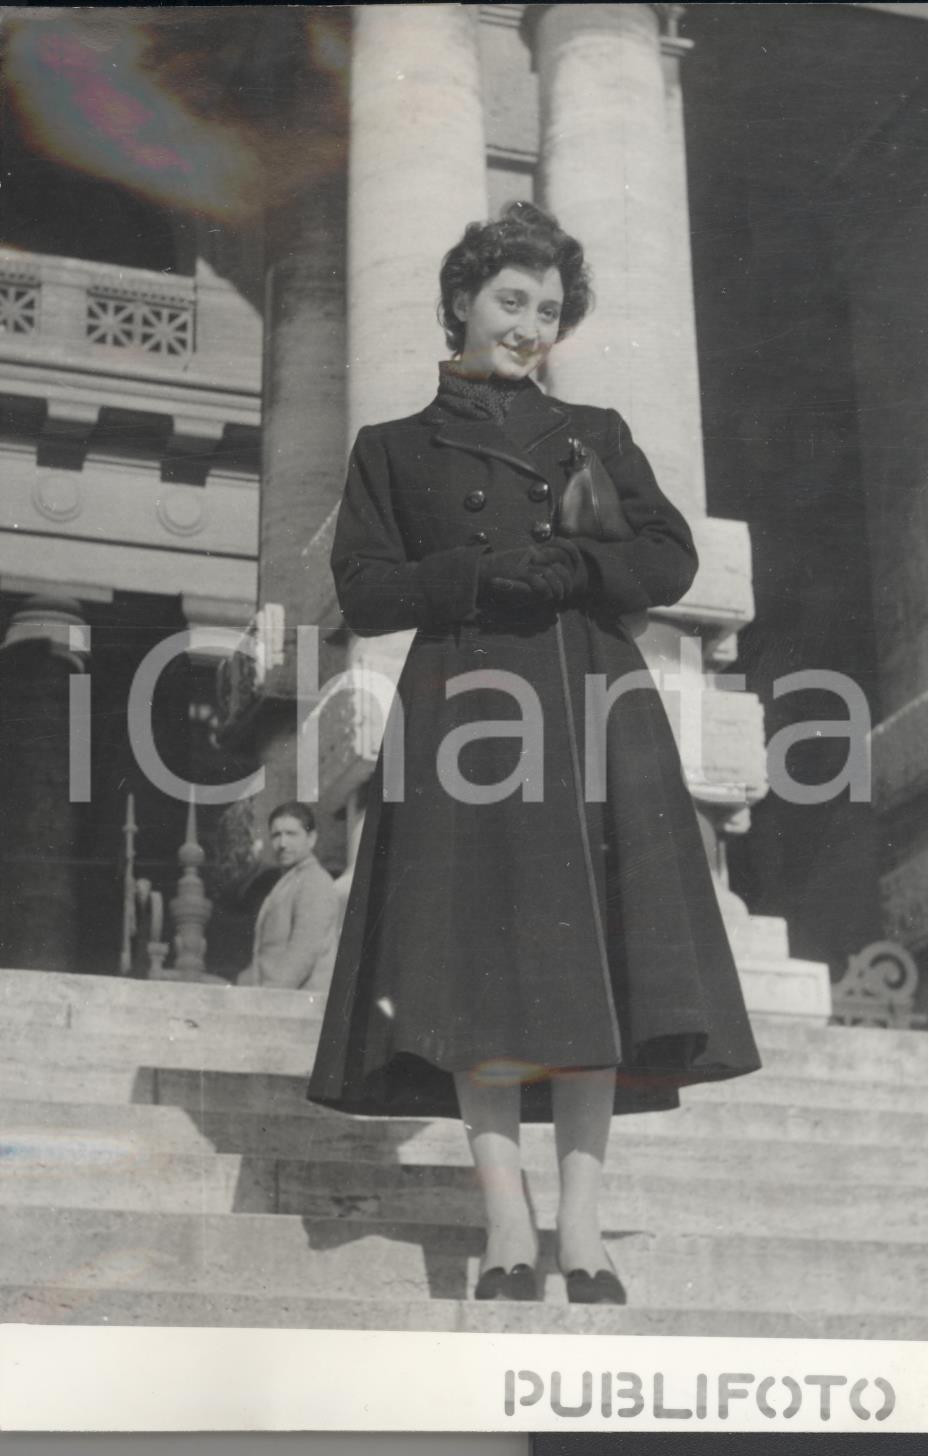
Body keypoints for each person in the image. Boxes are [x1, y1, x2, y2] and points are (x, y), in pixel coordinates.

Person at [307, 201, 761, 1303]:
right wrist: (470, 579)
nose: (527, 326)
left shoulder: (594, 430)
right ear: (462, 298)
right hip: (464, 712)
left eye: (548, 311)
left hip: (593, 703)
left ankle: (584, 1233)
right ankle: (507, 1224)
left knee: (596, 963)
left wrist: (579, 573)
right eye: (511, 300)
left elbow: (667, 554)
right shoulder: (390, 450)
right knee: (477, 970)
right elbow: (363, 592)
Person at [237, 802, 339, 991]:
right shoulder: (290, 881)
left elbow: (302, 954)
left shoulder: (314, 881)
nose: (282, 844)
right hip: (277, 998)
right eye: (276, 835)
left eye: (291, 834)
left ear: (311, 839)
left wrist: (266, 998)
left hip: (297, 1003)